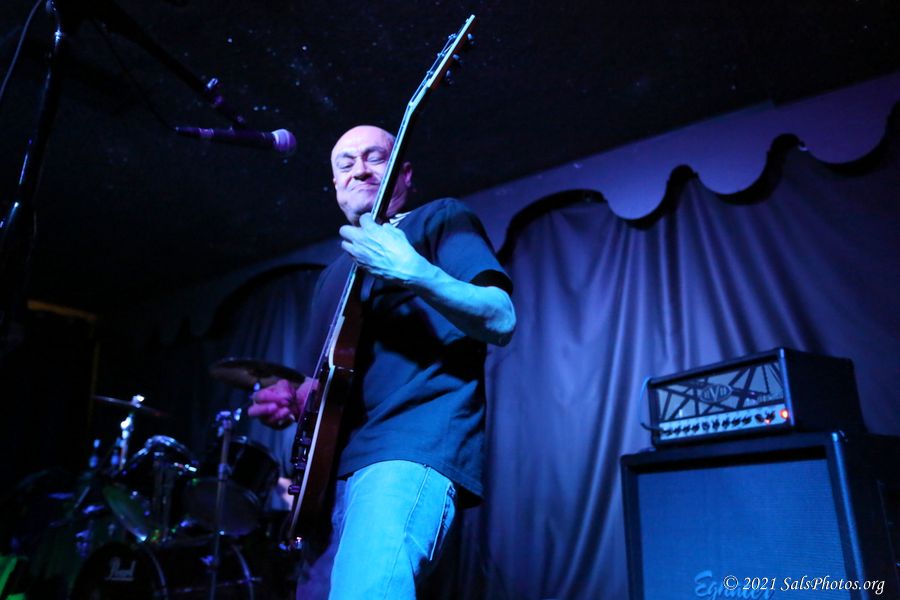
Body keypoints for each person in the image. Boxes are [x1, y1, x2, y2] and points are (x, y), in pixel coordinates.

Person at [248, 124, 516, 599]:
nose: (360, 170)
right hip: (327, 481)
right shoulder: (331, 276)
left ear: (404, 174)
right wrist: (292, 398)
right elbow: (323, 385)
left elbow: (500, 317)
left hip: (405, 448)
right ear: (335, 184)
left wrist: (414, 271)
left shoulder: (438, 218)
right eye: (346, 163)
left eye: (375, 157)